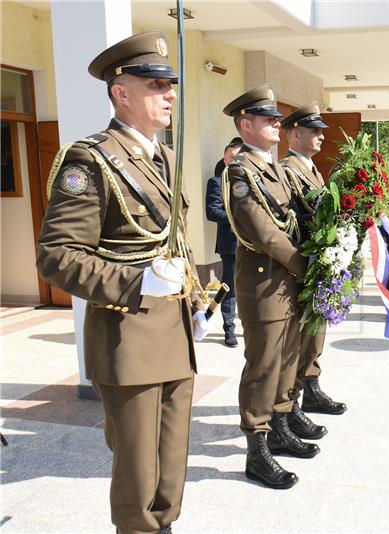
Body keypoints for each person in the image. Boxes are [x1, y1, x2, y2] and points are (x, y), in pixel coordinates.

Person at [36, 32, 208, 533]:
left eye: (170, 83)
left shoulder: (166, 158)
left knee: (172, 466)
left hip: (175, 333)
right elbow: (57, 257)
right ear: (121, 92)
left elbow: (173, 240)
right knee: (138, 478)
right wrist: (137, 283)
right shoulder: (91, 160)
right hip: (128, 338)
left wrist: (195, 299)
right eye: (156, 84)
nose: (169, 93)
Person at [222, 85, 317, 491]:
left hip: (288, 279)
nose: (278, 124)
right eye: (269, 119)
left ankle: (280, 422)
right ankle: (256, 447)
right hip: (264, 280)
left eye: (278, 119)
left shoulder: (276, 167)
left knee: (288, 355)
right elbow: (261, 231)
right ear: (246, 125)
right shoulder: (240, 171)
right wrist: (304, 263)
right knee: (263, 363)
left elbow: (305, 208)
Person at [280, 103, 347, 427]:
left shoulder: (312, 168)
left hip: (319, 261)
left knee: (315, 331)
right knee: (300, 335)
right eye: (314, 130)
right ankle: (290, 401)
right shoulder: (288, 169)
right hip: (302, 263)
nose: (322, 135)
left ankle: (311, 384)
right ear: (295, 134)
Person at [206, 138, 243, 346]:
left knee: (251, 289)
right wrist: (239, 217)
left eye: (238, 157)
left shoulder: (251, 182)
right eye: (231, 156)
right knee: (230, 288)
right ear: (225, 158)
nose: (235, 160)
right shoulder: (216, 182)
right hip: (230, 244)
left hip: (252, 244)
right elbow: (212, 212)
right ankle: (229, 330)